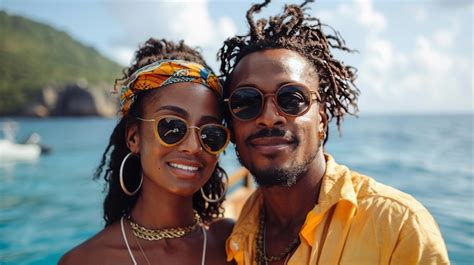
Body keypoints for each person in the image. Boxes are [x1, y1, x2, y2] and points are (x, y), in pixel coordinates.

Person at [218, 1, 450, 264]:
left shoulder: (397, 228)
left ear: (322, 119)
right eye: (246, 102)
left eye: (292, 98)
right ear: (231, 127)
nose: (269, 117)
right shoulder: (236, 235)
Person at [59, 38, 234, 265]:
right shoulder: (85, 260)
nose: (193, 146)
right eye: (171, 127)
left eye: (211, 134)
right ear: (134, 137)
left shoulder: (233, 242)